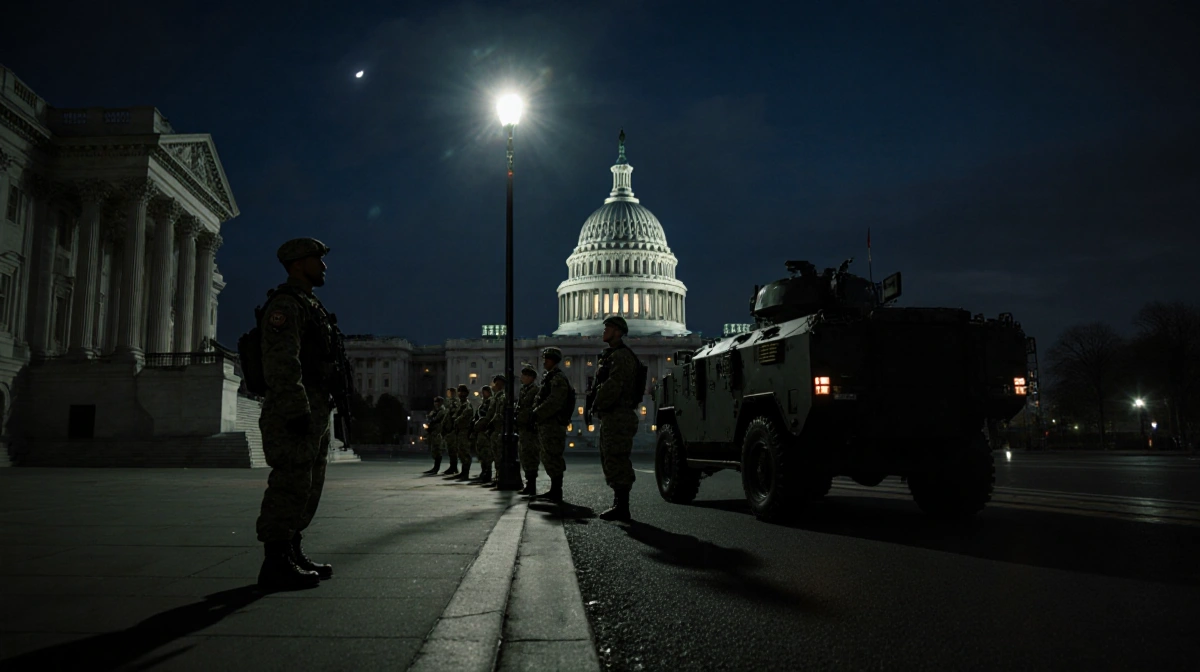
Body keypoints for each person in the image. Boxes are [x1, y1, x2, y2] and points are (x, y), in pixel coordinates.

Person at [255, 237, 342, 591]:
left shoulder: (310, 304)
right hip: (295, 410)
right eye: (316, 259)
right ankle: (275, 561)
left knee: (308, 484)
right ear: (296, 264)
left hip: (316, 408)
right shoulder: (286, 304)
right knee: (290, 483)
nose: (323, 266)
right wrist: (296, 408)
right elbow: (281, 360)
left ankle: (292, 550)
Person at [589, 316, 641, 522]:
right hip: (613, 414)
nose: (604, 331)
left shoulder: (621, 356)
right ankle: (619, 503)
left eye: (608, 328)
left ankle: (622, 506)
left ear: (618, 332)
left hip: (619, 414)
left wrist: (596, 404)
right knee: (611, 456)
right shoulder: (612, 355)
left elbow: (614, 385)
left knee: (617, 457)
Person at [531, 347, 573, 502]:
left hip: (553, 424)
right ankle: (554, 490)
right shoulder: (550, 377)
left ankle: (556, 491)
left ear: (553, 360)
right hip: (547, 423)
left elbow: (554, 401)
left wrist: (536, 413)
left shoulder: (557, 378)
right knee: (548, 456)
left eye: (547, 359)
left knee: (553, 456)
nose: (544, 362)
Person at [515, 364, 542, 496]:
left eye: (524, 376)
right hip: (523, 428)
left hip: (530, 429)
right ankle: (528, 483)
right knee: (524, 455)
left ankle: (532, 485)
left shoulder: (535, 390)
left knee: (531, 456)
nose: (522, 378)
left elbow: (534, 409)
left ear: (531, 377)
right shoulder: (523, 390)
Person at [485, 374, 507, 487]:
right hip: (495, 430)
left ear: (498, 384)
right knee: (494, 454)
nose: (492, 385)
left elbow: (499, 414)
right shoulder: (496, 397)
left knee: (498, 455)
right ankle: (497, 478)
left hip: (498, 429)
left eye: (494, 383)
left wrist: (489, 424)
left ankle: (500, 478)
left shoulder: (502, 397)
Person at [472, 385, 495, 482]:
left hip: (486, 431)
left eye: (485, 392)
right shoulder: (482, 403)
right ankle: (484, 472)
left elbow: (488, 415)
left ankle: (487, 473)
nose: (483, 394)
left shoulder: (490, 402)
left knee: (487, 453)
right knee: (481, 452)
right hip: (480, 431)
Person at [452, 384, 475, 479]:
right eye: (459, 391)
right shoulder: (460, 404)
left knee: (465, 452)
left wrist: (457, 420)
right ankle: (463, 472)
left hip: (464, 430)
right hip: (459, 430)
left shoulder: (466, 404)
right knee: (460, 451)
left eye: (462, 391)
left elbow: (466, 414)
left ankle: (465, 473)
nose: (460, 393)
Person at [423, 396, 446, 474]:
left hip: (438, 432)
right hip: (433, 431)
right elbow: (429, 418)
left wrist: (431, 420)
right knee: (434, 450)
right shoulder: (435, 411)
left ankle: (436, 468)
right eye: (435, 402)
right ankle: (435, 468)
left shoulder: (442, 410)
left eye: (437, 402)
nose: (436, 403)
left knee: (437, 449)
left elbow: (436, 420)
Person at [441, 388, 460, 475]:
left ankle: (454, 467)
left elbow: (454, 414)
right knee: (450, 449)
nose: (449, 394)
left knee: (452, 449)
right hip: (448, 429)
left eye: (450, 392)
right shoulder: (448, 402)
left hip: (452, 429)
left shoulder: (455, 402)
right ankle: (453, 466)